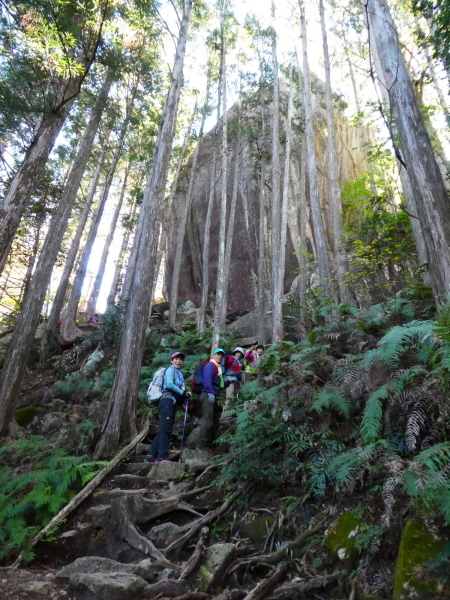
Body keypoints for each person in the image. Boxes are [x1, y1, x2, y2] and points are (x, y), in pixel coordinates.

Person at [144, 351, 191, 463]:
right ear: (171, 360)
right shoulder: (170, 370)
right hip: (167, 401)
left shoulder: (178, 373)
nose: (178, 361)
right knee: (166, 429)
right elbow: (169, 384)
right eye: (176, 359)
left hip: (171, 402)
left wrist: (185, 394)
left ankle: (150, 456)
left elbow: (177, 389)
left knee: (164, 429)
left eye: (180, 359)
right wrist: (183, 393)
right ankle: (162, 456)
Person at [197, 348, 235, 451]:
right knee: (207, 420)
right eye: (217, 354)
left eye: (221, 355)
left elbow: (219, 386)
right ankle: (201, 445)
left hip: (213, 394)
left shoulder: (218, 369)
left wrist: (230, 381)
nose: (219, 357)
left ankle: (209, 443)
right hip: (207, 394)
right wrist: (210, 392)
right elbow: (207, 380)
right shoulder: (210, 366)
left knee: (215, 421)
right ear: (213, 355)